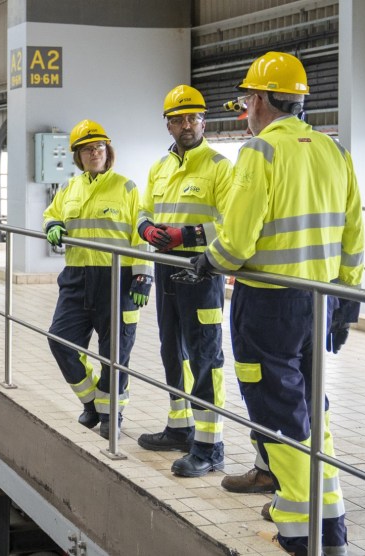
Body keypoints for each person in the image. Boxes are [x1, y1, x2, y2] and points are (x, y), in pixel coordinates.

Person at [190, 51, 364, 556]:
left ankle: (298, 528)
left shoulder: (260, 153)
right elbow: (354, 233)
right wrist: (347, 299)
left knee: (277, 415)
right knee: (312, 409)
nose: (245, 109)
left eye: (246, 100)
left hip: (268, 303)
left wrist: (208, 261)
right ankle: (331, 524)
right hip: (323, 298)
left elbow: (237, 242)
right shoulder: (335, 152)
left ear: (262, 99)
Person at [135, 85, 232, 478]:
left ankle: (210, 447)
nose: (187, 124)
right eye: (179, 119)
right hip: (165, 270)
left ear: (203, 121)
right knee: (171, 351)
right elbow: (143, 208)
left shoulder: (220, 167)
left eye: (194, 117)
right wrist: (145, 229)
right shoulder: (160, 167)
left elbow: (230, 223)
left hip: (202, 272)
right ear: (169, 125)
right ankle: (180, 427)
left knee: (205, 355)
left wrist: (184, 236)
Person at [43, 119, 153, 440]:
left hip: (116, 278)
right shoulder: (70, 189)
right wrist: (52, 224)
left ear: (109, 151)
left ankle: (111, 412)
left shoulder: (126, 187)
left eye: (100, 147)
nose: (95, 153)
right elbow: (52, 213)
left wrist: (143, 277)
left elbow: (140, 235)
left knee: (115, 352)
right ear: (78, 156)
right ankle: (92, 402)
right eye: (88, 149)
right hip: (76, 279)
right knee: (59, 340)